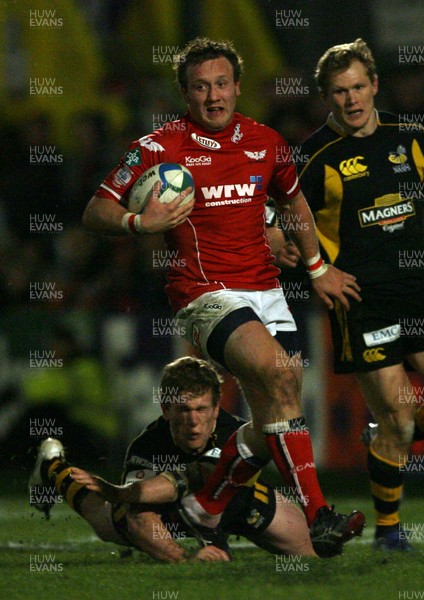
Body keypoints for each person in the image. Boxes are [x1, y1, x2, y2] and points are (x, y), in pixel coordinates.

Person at [82, 37, 365, 557]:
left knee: (274, 416)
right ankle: (320, 514)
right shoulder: (157, 147)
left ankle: (204, 507)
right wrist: (139, 221)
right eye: (199, 87)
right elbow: (95, 209)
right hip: (202, 294)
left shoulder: (266, 141)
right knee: (279, 376)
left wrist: (316, 265)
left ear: (237, 86)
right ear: (184, 94)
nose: (212, 96)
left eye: (220, 84)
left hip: (267, 292)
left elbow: (294, 201)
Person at [297, 39, 424, 551]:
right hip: (362, 301)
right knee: (398, 415)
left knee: (401, 422)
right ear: (327, 97)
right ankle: (389, 532)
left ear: (374, 84)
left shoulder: (410, 136)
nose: (350, 100)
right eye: (338, 92)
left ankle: (385, 446)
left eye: (357, 87)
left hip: (419, 290)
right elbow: (276, 224)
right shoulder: (312, 156)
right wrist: (316, 269)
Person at [29, 356, 316, 562]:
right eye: (183, 409)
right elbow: (135, 503)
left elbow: (196, 476)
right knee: (108, 516)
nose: (193, 421)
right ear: (166, 410)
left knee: (309, 549)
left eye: (202, 409)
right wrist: (187, 557)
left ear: (217, 409)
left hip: (230, 503)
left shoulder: (237, 433)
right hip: (166, 512)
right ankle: (51, 465)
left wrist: (114, 489)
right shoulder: (147, 445)